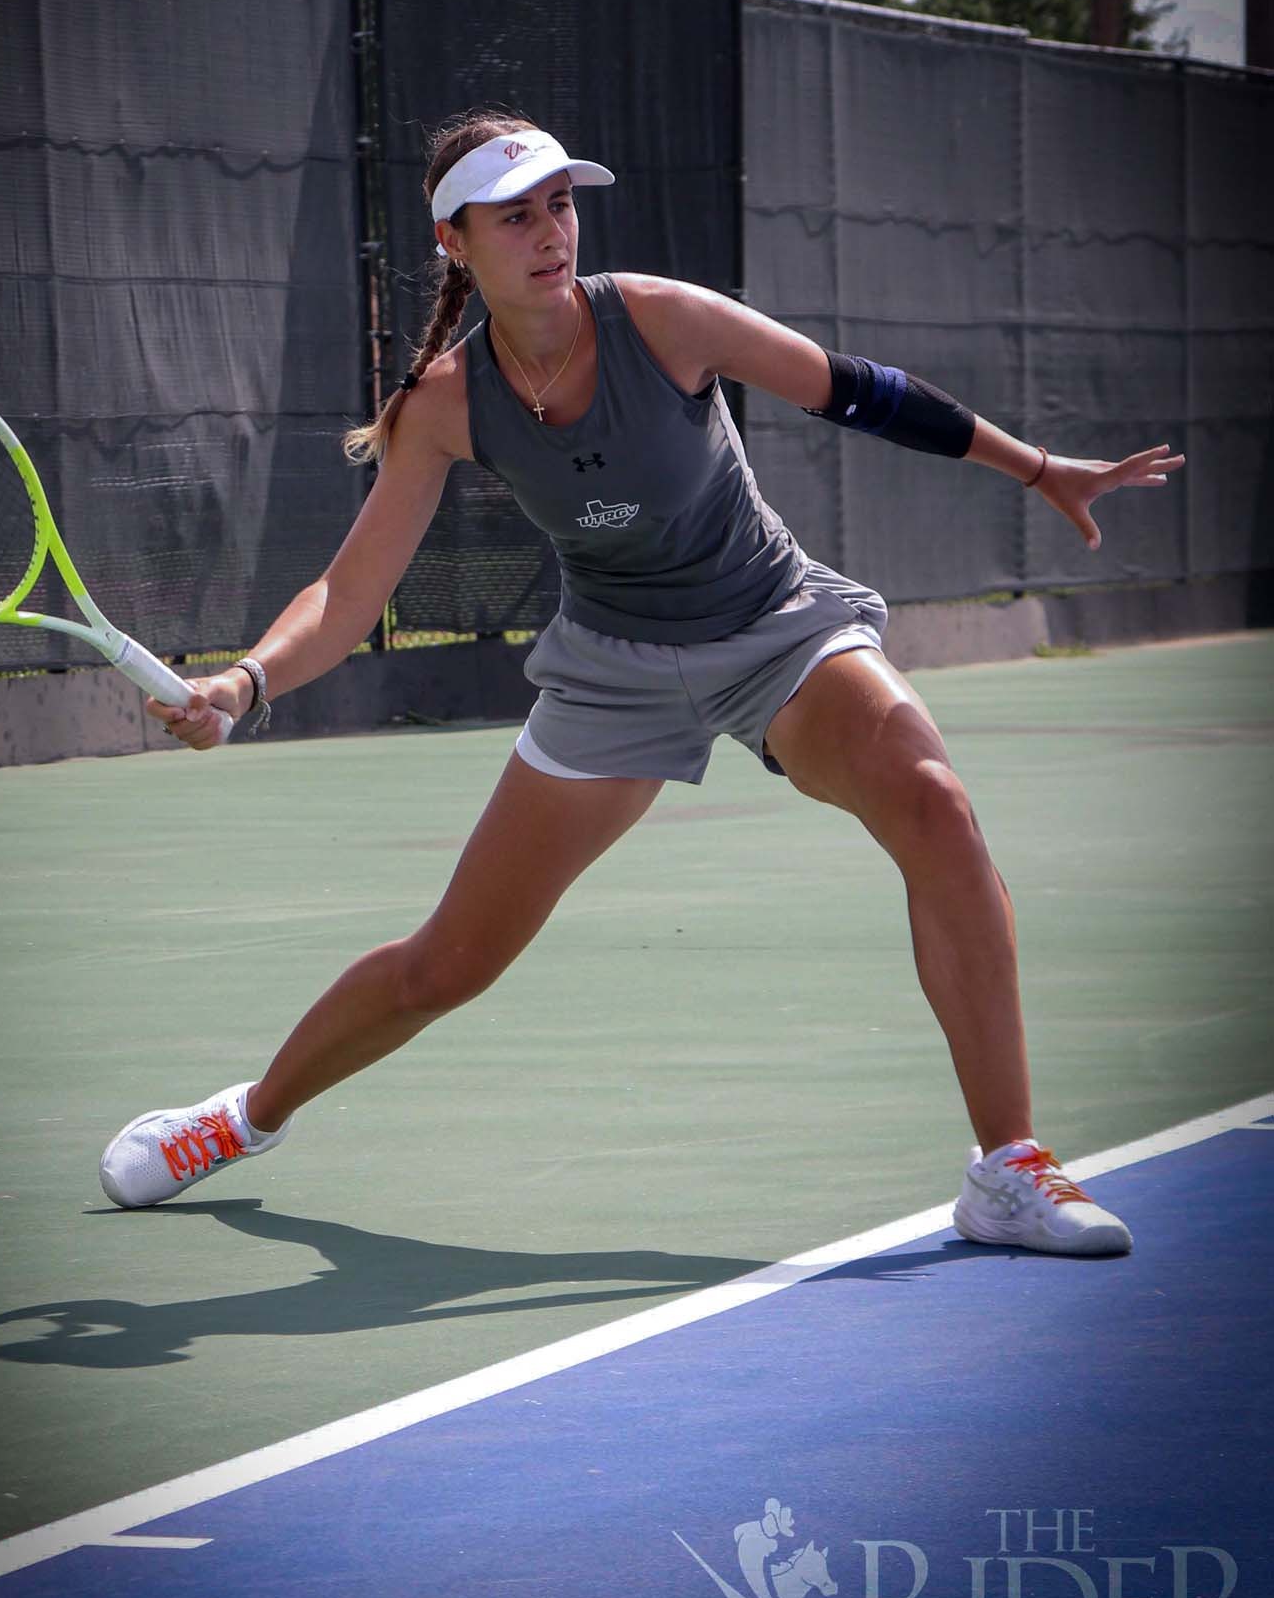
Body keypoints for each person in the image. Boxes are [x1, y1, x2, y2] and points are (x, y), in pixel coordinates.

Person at [100, 108, 1184, 1254]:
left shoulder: (662, 319)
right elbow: (348, 594)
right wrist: (242, 684)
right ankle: (242, 1116)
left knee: (935, 803)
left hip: (773, 625)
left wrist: (1040, 466)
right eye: (515, 214)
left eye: (560, 202)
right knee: (449, 962)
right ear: (455, 241)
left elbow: (858, 388)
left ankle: (1008, 1164)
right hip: (612, 669)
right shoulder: (444, 404)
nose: (549, 230)